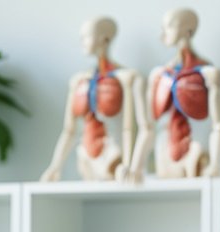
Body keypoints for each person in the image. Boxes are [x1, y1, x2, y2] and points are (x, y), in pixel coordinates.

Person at [40, 17, 147, 183]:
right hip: (85, 158)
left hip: (113, 156)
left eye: (87, 36)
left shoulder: (126, 78)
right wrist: (55, 167)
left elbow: (129, 128)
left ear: (105, 39)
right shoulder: (78, 81)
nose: (82, 41)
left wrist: (129, 164)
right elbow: (69, 130)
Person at [137, 7, 220, 180]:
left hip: (194, 151)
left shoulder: (207, 73)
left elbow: (218, 124)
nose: (163, 33)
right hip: (164, 152)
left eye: (169, 26)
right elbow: (148, 126)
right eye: (163, 27)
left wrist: (215, 164)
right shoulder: (159, 74)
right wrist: (136, 166)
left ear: (188, 30)